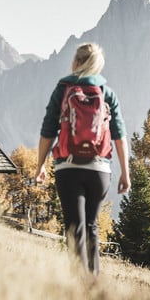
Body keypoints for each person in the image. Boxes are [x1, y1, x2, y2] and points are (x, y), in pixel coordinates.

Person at [36, 43, 130, 278]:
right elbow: (119, 135)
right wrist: (125, 172)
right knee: (91, 226)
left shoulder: (63, 89)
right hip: (100, 169)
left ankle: (80, 285)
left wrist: (40, 166)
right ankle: (94, 285)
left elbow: (48, 130)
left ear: (76, 62)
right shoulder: (106, 92)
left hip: (69, 167)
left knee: (74, 228)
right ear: (98, 66)